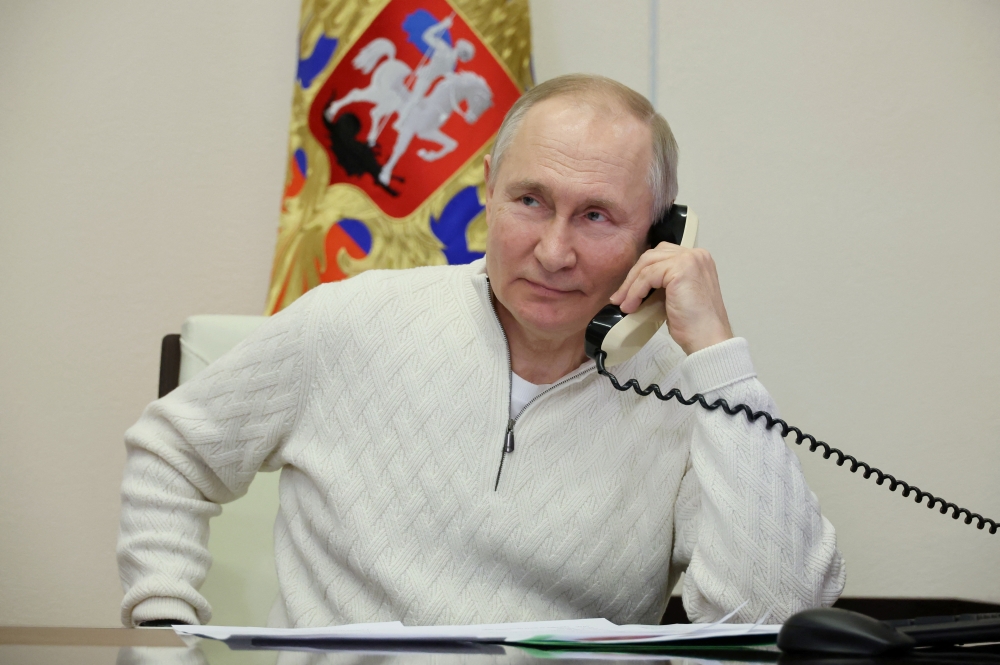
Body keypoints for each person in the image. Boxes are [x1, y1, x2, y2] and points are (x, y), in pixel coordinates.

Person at [117, 74, 845, 629]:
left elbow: (772, 612)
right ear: (488, 192)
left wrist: (717, 354)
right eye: (529, 200)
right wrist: (163, 622)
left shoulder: (689, 394)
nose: (554, 250)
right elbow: (172, 451)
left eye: (596, 216)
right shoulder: (354, 318)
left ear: (659, 236)